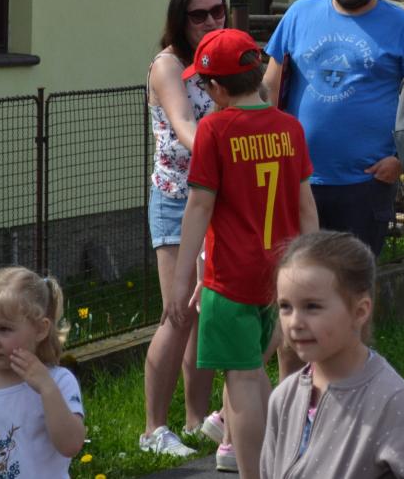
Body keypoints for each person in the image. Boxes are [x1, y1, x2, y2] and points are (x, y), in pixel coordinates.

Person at [165, 28, 319, 479]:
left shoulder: (214, 130)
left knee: (244, 379)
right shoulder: (290, 127)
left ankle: (259, 472)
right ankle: (263, 459)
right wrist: (310, 270)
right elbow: (306, 207)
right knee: (251, 373)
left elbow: (199, 206)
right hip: (280, 276)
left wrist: (183, 279)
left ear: (216, 88)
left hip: (231, 278)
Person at [264, 0, 404, 259]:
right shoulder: (299, 14)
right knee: (298, 275)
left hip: (365, 186)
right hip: (298, 179)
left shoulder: (403, 26)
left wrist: (402, 160)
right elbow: (269, 87)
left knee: (353, 280)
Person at [263, 231, 404, 479]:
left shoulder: (392, 401)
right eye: (285, 306)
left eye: (312, 306)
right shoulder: (283, 398)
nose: (295, 322)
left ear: (360, 311)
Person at [141, 0, 224, 457]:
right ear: (180, 18)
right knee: (178, 312)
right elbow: (185, 126)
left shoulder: (220, 60)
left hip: (215, 199)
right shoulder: (168, 65)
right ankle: (153, 430)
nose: (211, 21)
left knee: (205, 310)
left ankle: (195, 420)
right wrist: (230, 151)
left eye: (218, 11)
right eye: (199, 15)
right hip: (177, 199)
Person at [0, 267, 85, 478]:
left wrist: (47, 389)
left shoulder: (58, 381)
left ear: (40, 329)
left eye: (4, 329)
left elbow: (71, 445)